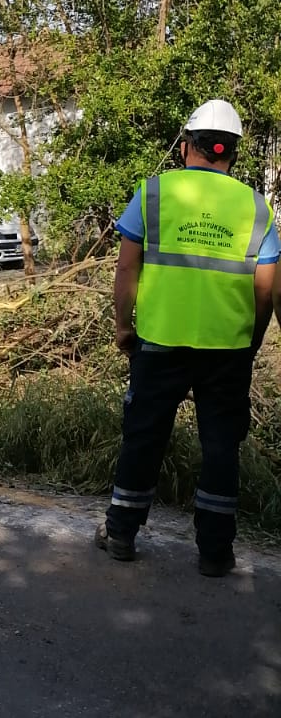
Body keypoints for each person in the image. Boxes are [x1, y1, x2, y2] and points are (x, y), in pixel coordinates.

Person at [94, 99, 277, 576]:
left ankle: (121, 534)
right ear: (231, 153)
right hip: (228, 349)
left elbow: (127, 267)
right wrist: (251, 340)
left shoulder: (153, 193)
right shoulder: (257, 208)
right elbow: (265, 290)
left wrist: (123, 327)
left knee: (144, 437)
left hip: (158, 343)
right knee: (221, 447)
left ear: (184, 146)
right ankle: (215, 554)